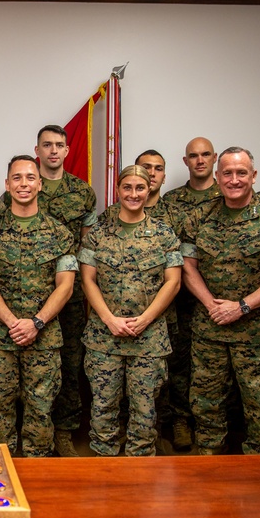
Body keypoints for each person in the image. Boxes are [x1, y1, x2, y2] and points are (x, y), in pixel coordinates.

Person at [181, 147, 260, 455]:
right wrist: (211, 304)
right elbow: (187, 267)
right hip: (211, 329)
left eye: (241, 173)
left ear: (254, 176)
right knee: (206, 408)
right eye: (228, 173)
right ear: (217, 176)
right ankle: (206, 471)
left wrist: (242, 306)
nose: (234, 180)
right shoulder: (200, 216)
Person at [79, 165, 182, 456]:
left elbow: (173, 282)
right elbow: (87, 279)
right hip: (104, 338)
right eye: (127, 188)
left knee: (145, 412)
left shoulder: (163, 234)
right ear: (118, 189)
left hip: (148, 340)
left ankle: (140, 473)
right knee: (102, 409)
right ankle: (104, 467)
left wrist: (146, 319)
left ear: (148, 189)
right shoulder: (98, 234)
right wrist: (109, 319)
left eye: (140, 188)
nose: (133, 194)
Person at [6, 125, 96, 457]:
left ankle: (63, 431)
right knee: (13, 377)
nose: (54, 150)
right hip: (20, 293)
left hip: (64, 292)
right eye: (47, 145)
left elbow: (85, 243)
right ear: (38, 149)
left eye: (60, 145)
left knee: (68, 365)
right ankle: (18, 440)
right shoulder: (19, 187)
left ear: (67, 150)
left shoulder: (83, 192)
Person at [0, 156, 75, 457]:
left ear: (40, 184)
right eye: (17, 178)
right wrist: (12, 322)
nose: (24, 184)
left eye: (30, 177)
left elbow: (66, 285)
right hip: (0, 339)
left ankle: (38, 473)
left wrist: (35, 322)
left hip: (44, 339)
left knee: (41, 410)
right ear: (7, 185)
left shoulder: (60, 233)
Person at [162, 137, 223, 451]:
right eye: (193, 156)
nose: (200, 161)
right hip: (181, 299)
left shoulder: (227, 192)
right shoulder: (171, 201)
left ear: (215, 158)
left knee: (217, 372)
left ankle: (215, 432)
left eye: (205, 155)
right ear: (185, 161)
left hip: (223, 300)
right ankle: (181, 421)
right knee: (180, 366)